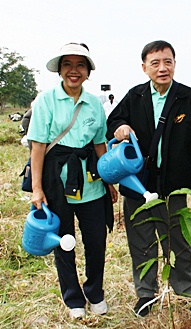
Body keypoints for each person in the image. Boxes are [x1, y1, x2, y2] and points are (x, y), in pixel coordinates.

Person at [106, 40, 191, 317]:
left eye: (168, 61)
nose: (162, 68)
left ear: (175, 64)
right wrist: (121, 127)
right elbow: (113, 123)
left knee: (179, 241)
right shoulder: (135, 96)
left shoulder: (190, 98)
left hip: (175, 187)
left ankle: (185, 292)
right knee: (141, 242)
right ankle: (145, 294)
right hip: (138, 187)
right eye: (155, 63)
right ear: (144, 68)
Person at [27, 43, 117, 319]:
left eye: (80, 65)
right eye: (68, 64)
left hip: (90, 182)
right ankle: (73, 298)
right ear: (60, 70)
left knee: (96, 241)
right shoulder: (46, 101)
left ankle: (95, 292)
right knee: (63, 241)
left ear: (88, 72)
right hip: (57, 183)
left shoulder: (94, 104)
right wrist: (37, 188)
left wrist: (109, 181)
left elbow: (100, 145)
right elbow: (38, 147)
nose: (74, 71)